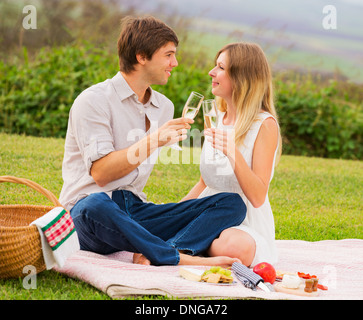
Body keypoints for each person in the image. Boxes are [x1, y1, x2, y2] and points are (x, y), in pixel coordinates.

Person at [59, 16, 246, 267]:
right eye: (168, 55)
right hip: (88, 215)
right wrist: (154, 140)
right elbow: (101, 173)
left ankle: (162, 250)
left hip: (134, 211)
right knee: (95, 203)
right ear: (141, 56)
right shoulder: (93, 101)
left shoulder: (163, 107)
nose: (175, 63)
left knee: (231, 203)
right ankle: (178, 258)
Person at [182, 42, 282, 267]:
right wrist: (176, 211)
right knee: (160, 219)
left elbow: (257, 196)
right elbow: (204, 182)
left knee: (237, 247)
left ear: (241, 77)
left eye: (220, 68)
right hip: (207, 211)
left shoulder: (264, 125)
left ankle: (191, 248)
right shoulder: (215, 115)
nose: (212, 72)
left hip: (243, 219)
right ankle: (197, 248)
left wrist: (232, 152)